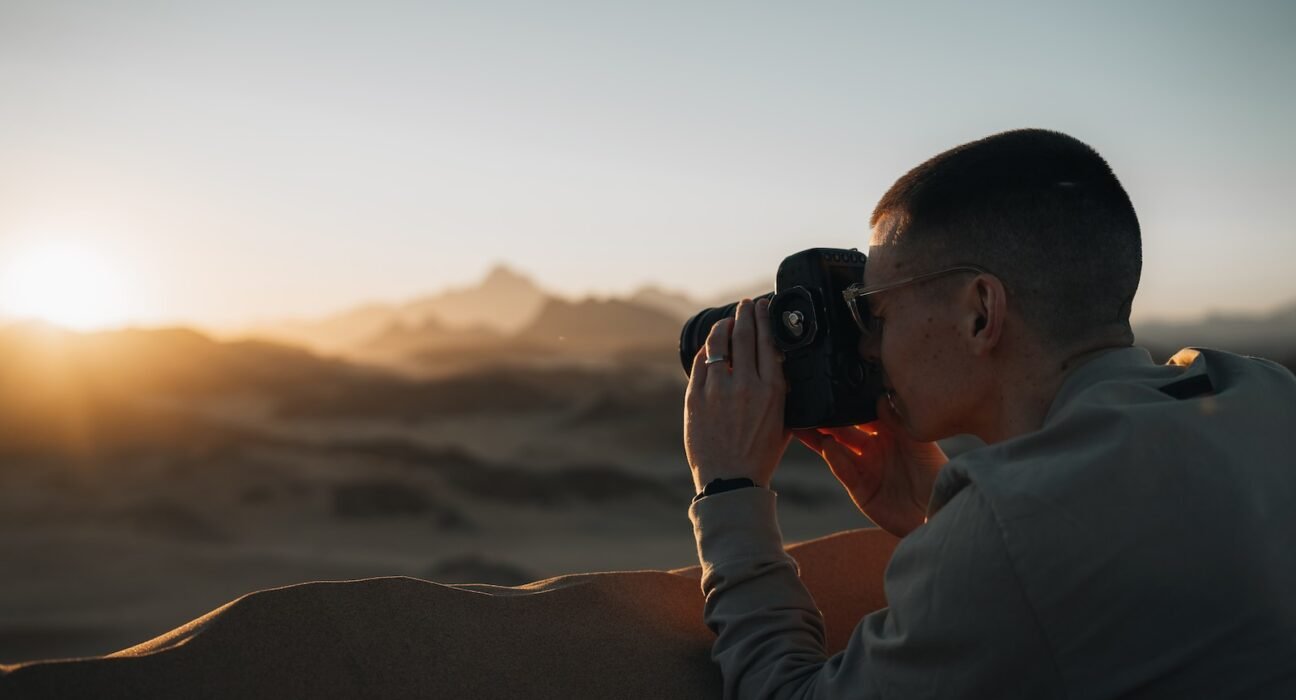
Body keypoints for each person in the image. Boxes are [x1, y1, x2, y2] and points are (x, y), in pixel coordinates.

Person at [684, 128, 1296, 698]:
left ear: (980, 312)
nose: (869, 345)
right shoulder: (1262, 392)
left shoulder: (1014, 526)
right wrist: (937, 520)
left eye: (877, 311)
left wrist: (730, 490)